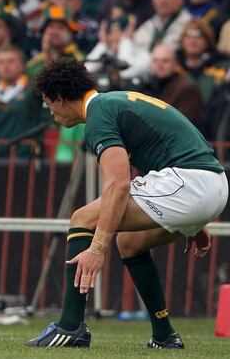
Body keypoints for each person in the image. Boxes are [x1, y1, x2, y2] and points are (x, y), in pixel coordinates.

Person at [27, 58, 227, 349]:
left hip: (189, 185)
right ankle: (165, 336)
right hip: (213, 184)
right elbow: (168, 148)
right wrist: (194, 221)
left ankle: (70, 327)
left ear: (60, 98)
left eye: (48, 102)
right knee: (131, 243)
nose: (50, 111)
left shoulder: (98, 116)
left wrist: (96, 249)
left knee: (83, 218)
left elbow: (118, 185)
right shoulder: (116, 102)